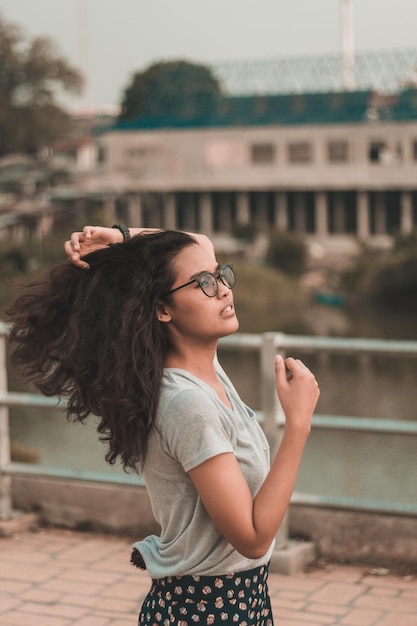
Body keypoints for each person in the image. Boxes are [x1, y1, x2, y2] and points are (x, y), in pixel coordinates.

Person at [7, 224, 319, 626]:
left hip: (238, 600)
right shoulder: (188, 403)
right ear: (162, 309)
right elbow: (254, 538)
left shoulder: (204, 369)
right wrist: (297, 425)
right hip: (207, 611)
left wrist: (122, 237)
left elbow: (198, 243)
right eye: (203, 284)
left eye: (221, 275)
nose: (223, 289)